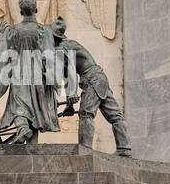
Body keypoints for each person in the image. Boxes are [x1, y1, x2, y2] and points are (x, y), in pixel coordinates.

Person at [52, 17, 132, 156]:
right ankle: (124, 148)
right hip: (99, 77)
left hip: (92, 78)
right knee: (115, 114)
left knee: (85, 114)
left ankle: (85, 149)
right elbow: (67, 76)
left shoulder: (64, 46)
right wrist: (69, 106)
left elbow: (70, 69)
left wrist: (72, 94)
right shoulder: (66, 47)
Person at [0, 0, 61, 144]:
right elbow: (49, 56)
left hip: (19, 74)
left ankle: (22, 128)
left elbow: (3, 54)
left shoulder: (12, 31)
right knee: (35, 112)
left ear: (21, 12)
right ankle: (29, 140)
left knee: (19, 106)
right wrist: (54, 80)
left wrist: (1, 35)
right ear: (36, 10)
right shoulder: (45, 31)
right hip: (39, 76)